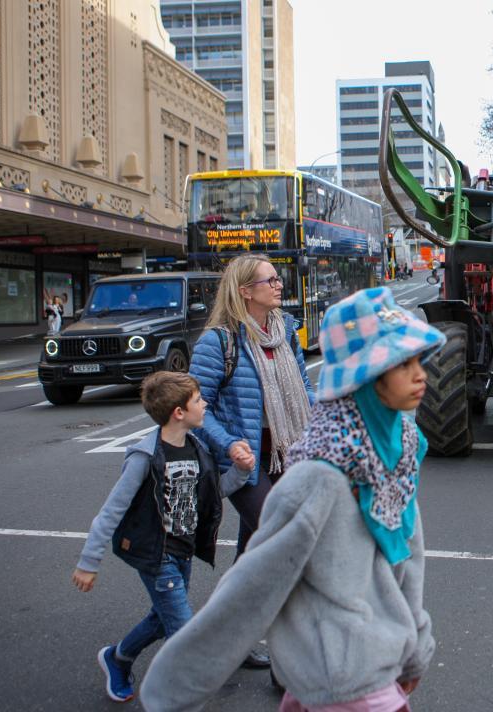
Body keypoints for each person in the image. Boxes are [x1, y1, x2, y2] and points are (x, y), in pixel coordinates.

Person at [140, 286, 443, 712]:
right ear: (366, 376)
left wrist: (415, 651)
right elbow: (253, 584)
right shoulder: (318, 477)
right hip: (342, 679)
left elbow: (408, 558)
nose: (420, 374)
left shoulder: (398, 450)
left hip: (370, 667)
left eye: (418, 361)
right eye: (402, 363)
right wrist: (176, 686)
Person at [189, 254, 314, 670]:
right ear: (245, 290)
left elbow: (305, 389)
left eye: (278, 279)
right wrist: (228, 445)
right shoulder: (219, 341)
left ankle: (225, 640)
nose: (279, 285)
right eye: (270, 280)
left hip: (285, 450)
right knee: (280, 542)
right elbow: (195, 407)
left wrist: (319, 434)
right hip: (244, 461)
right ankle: (287, 654)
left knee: (249, 557)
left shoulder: (286, 331)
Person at [72, 371, 222, 704]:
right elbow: (111, 511)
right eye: (198, 399)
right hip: (158, 555)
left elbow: (215, 494)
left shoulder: (197, 449)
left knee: (160, 618)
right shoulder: (145, 457)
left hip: (183, 552)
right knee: (184, 636)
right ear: (179, 413)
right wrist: (88, 561)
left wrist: (240, 470)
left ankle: (118, 658)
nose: (205, 403)